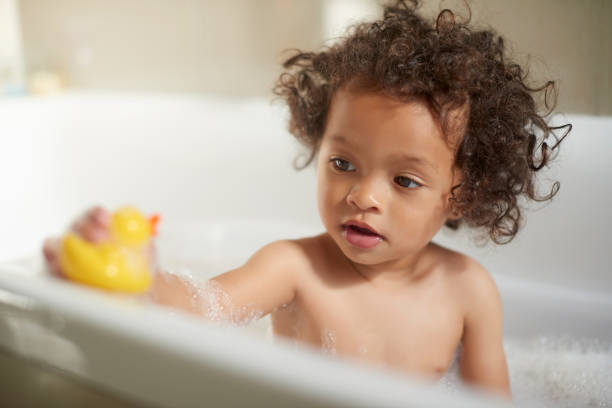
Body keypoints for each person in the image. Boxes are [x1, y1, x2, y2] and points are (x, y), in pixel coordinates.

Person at [43, 0, 571, 400]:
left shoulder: (468, 292)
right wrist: (142, 276)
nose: (362, 195)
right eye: (343, 164)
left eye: (405, 181)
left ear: (462, 194)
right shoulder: (294, 268)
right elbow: (205, 307)